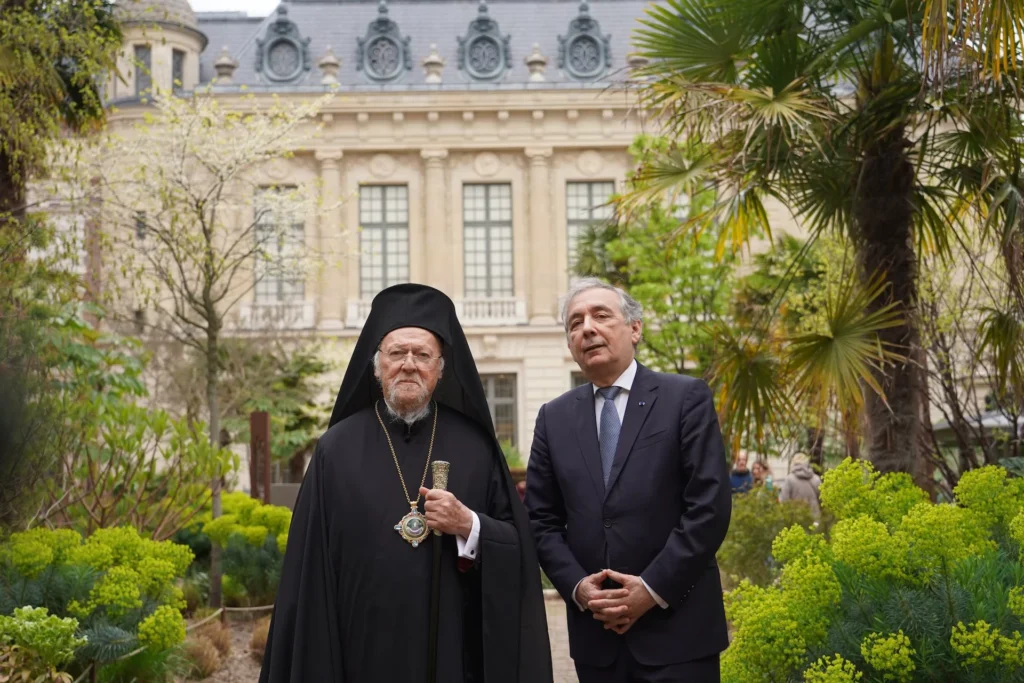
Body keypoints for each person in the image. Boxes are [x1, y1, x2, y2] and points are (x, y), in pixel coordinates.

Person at [259, 284, 553, 683]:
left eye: (423, 355)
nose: (409, 365)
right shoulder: (335, 449)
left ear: (441, 369)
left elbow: (518, 547)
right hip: (358, 651)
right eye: (397, 353)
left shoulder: (476, 447)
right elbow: (307, 571)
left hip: (453, 651)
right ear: (377, 365)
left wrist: (469, 525)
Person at [526, 278, 731, 683]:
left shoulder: (685, 397)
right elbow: (540, 520)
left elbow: (708, 506)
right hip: (597, 637)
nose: (587, 328)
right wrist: (579, 587)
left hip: (679, 634)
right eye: (575, 323)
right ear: (570, 344)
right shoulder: (554, 417)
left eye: (601, 316)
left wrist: (651, 589)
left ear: (634, 329)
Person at [779, 452, 822, 519]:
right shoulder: (816, 479)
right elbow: (822, 500)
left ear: (793, 463)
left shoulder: (789, 479)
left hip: (796, 518)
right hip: (814, 517)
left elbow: (784, 501)